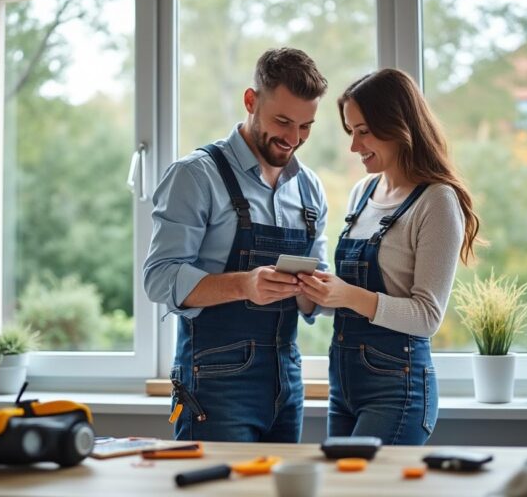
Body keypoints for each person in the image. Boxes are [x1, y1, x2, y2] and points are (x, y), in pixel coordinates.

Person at [143, 48, 329, 442]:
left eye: (306, 126)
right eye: (282, 121)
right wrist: (245, 285)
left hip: (288, 380)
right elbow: (160, 279)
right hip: (216, 382)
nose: (293, 139)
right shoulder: (195, 175)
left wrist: (316, 292)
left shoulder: (309, 188)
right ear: (250, 101)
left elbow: (316, 294)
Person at [297, 68, 480, 445]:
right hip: (343, 386)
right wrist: (315, 294)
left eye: (363, 131)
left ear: (399, 125)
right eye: (351, 132)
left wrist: (346, 294)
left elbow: (427, 316)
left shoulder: (437, 201)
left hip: (398, 391)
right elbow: (354, 301)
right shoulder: (362, 192)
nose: (354, 146)